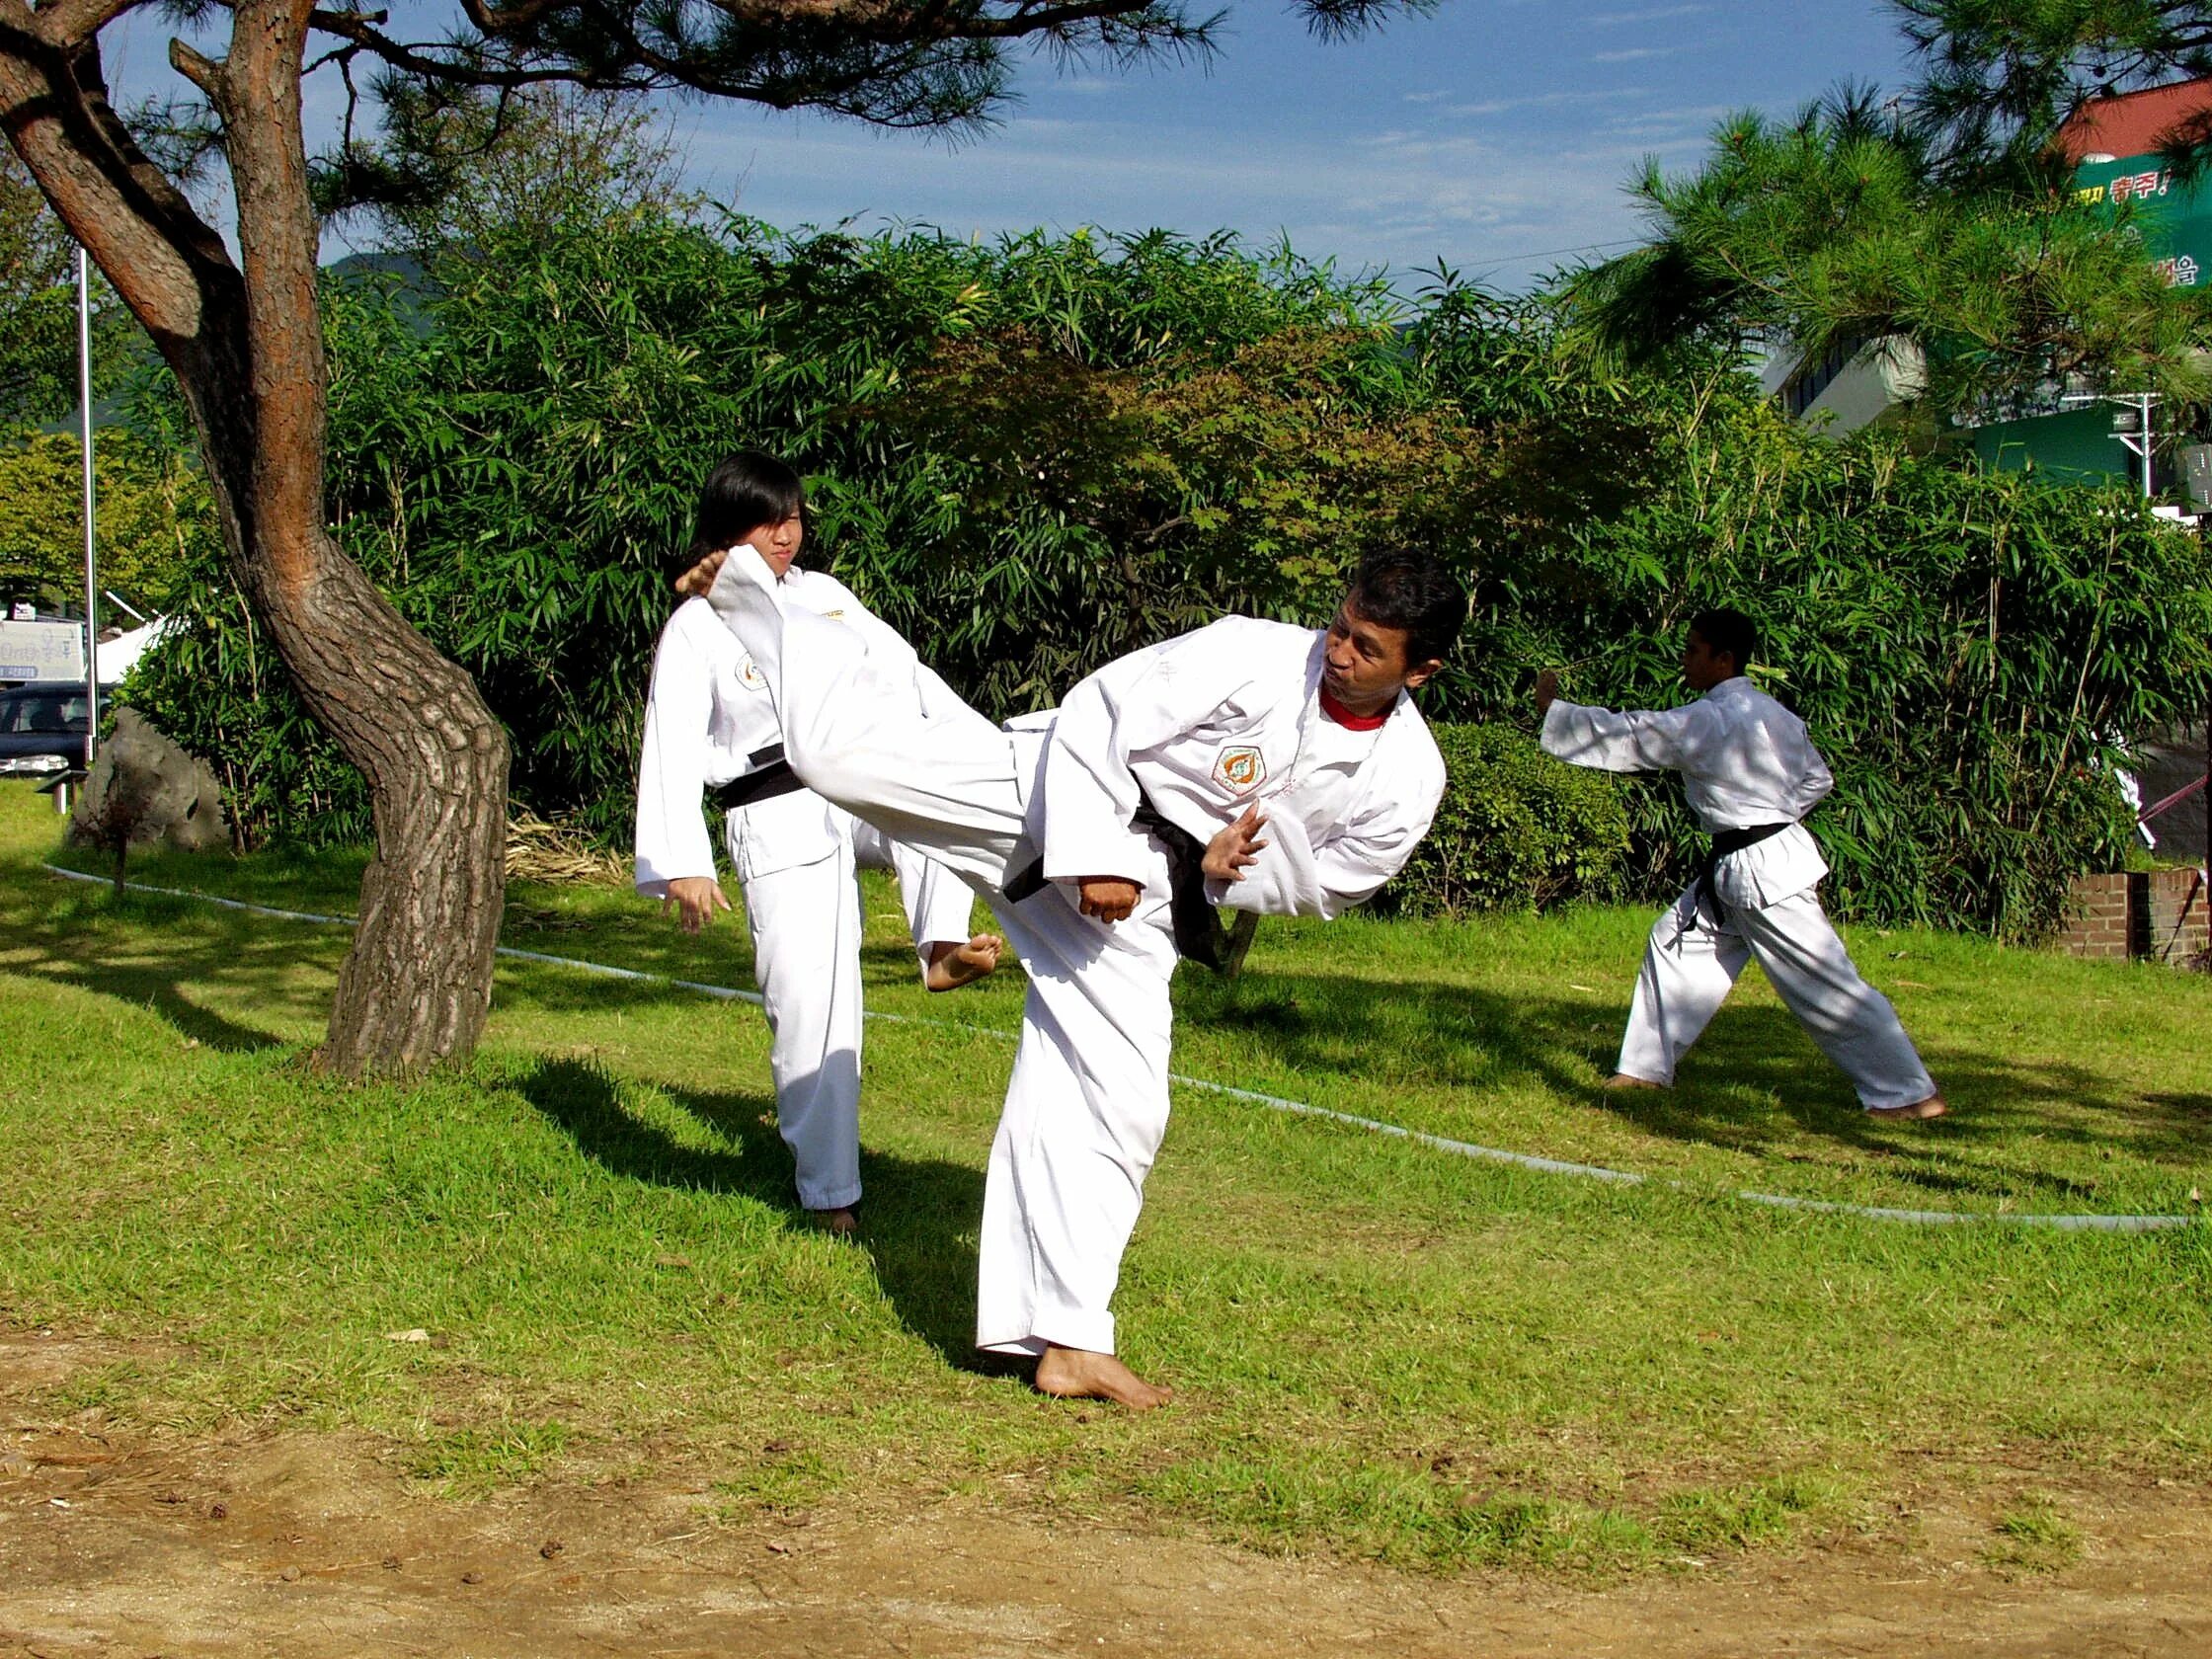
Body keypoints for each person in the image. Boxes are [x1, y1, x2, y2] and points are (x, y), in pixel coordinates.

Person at [674, 537, 1464, 1409]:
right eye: (1340, 626)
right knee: (832, 762)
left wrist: (1224, 866)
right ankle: (755, 598)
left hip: (1151, 904)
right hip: (1042, 798)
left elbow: (1341, 882)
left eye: (1365, 649)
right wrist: (1093, 849)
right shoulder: (1252, 652)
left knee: (1121, 1103)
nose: (1338, 652)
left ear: (1417, 671)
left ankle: (1068, 1339)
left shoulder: (1407, 778)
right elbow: (1101, 711)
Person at [635, 451, 1004, 1234]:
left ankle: (939, 943)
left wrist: (981, 748)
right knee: (814, 1004)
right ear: (730, 525)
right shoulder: (698, 625)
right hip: (773, 806)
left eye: (796, 516)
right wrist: (682, 864)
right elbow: (669, 737)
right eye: (770, 518)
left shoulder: (827, 597)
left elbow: (906, 674)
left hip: (858, 777)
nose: (787, 533)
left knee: (935, 799)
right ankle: (831, 1193)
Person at [1535, 608, 1946, 1122]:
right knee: (1675, 943)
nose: (1684, 661)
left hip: (1760, 867)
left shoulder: (1712, 718)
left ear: (1723, 659)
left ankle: (1908, 1095)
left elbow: (1638, 734)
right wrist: (1771, 816)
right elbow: (1818, 779)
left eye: (1692, 651)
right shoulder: (1773, 713)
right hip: (1749, 859)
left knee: (1822, 981)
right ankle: (1643, 1070)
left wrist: (1557, 710)